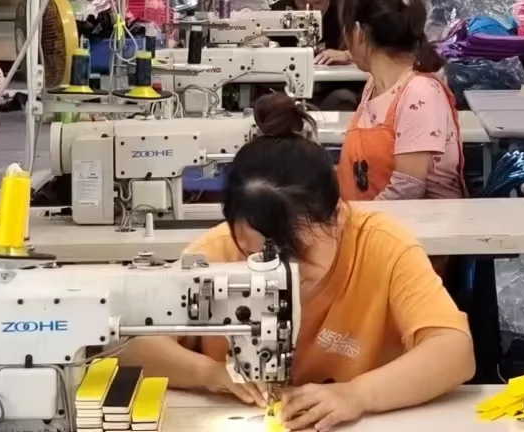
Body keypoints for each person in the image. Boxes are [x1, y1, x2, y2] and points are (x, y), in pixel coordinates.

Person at [120, 94, 475, 430]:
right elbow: (130, 346)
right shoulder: (214, 254)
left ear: (337, 218)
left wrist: (358, 394)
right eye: (256, 257)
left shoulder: (383, 246)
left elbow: (454, 351)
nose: (277, 274)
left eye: (295, 254)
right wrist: (211, 374)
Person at [337, 0, 465, 200]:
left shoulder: (420, 93)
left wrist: (352, 218)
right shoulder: (373, 86)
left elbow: (407, 190)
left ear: (358, 33)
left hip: (421, 220)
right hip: (374, 215)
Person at [290, 0, 349, 65]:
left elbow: (376, 50)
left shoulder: (346, 11)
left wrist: (347, 55)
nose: (308, 10)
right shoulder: (280, 10)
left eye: (317, 3)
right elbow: (262, 37)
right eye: (302, 2)